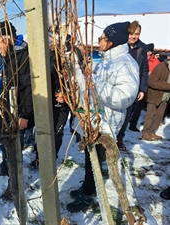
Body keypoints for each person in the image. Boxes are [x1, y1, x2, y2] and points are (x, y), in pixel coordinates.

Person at [66, 22, 139, 212]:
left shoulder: (126, 63)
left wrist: (96, 87)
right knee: (91, 159)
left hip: (107, 122)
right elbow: (92, 85)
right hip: (96, 118)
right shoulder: (107, 60)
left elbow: (125, 96)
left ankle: (89, 195)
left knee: (95, 160)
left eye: (103, 39)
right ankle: (87, 188)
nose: (99, 41)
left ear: (113, 42)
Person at [0, 21, 34, 176]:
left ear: (7, 39)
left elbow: (28, 87)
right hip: (2, 106)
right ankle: (6, 168)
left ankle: (14, 176)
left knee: (14, 144)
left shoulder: (23, 55)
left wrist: (24, 115)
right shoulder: (2, 54)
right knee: (4, 141)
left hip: (16, 109)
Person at [30, 31, 70, 168]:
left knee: (56, 132)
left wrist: (65, 94)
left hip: (61, 103)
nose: (52, 43)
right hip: (45, 99)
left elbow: (74, 81)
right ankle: (39, 157)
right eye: (50, 40)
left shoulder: (67, 58)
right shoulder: (41, 57)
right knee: (42, 130)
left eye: (54, 40)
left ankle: (52, 157)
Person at [117, 21, 148, 148]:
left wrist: (142, 89)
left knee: (126, 116)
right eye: (131, 33)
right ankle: (109, 138)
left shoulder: (142, 48)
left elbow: (144, 71)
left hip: (132, 89)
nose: (134, 36)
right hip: (118, 86)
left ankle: (119, 139)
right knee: (115, 114)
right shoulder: (119, 45)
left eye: (137, 34)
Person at [129, 42, 159, 133]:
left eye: (149, 51)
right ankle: (128, 120)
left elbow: (149, 73)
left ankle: (133, 124)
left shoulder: (155, 62)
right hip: (135, 84)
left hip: (145, 85)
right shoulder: (142, 57)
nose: (148, 53)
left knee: (138, 106)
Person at [142, 54, 170, 141]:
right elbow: (151, 82)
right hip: (154, 95)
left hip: (165, 97)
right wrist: (168, 86)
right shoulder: (161, 67)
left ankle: (152, 132)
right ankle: (145, 133)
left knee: (159, 116)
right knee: (150, 115)